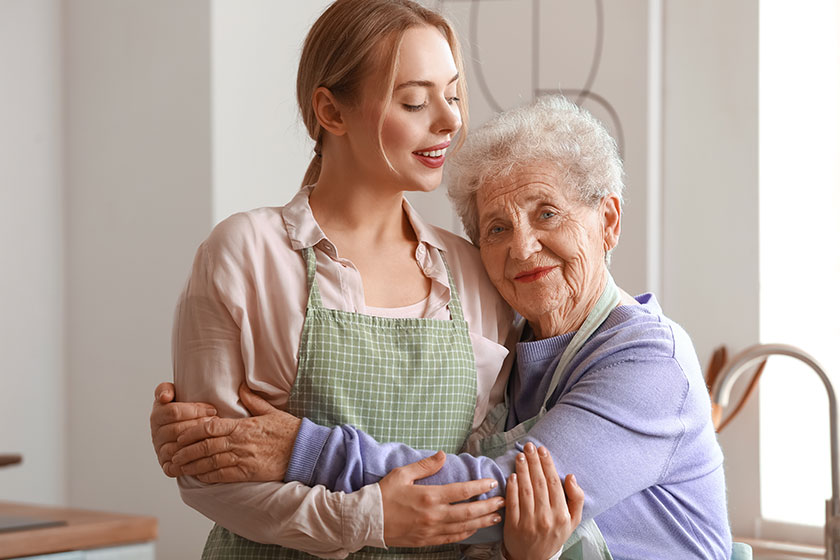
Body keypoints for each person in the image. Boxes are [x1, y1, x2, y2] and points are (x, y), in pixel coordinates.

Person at [155, 96, 733, 559]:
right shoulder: (510, 336)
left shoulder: (649, 361)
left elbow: (502, 492)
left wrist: (301, 449)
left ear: (607, 220)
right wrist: (192, 425)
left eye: (546, 213)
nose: (523, 247)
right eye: (497, 229)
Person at [152, 0, 582, 558]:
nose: (450, 120)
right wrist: (366, 519)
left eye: (452, 96)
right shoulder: (245, 253)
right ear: (331, 112)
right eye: (414, 101)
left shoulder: (472, 271)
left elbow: (491, 472)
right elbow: (210, 474)